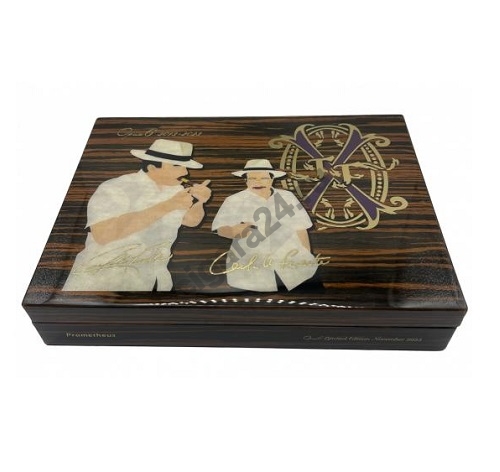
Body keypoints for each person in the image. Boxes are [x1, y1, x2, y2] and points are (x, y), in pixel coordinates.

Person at [63, 139, 211, 291]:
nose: (185, 173)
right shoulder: (116, 187)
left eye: (185, 167)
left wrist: (200, 202)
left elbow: (191, 221)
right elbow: (103, 235)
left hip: (154, 279)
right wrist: (168, 205)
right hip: (104, 279)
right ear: (152, 167)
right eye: (177, 166)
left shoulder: (175, 191)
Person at [211, 159, 318, 291]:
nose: (258, 182)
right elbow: (220, 228)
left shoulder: (287, 197)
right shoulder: (234, 200)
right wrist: (233, 231)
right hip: (251, 266)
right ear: (246, 180)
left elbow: (301, 228)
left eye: (263, 178)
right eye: (252, 178)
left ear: (272, 179)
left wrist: (307, 256)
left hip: (291, 264)